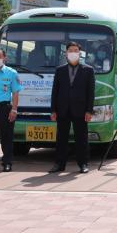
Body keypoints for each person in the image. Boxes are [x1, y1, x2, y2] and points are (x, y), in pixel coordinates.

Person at [49, 42, 95, 174]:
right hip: (62, 109)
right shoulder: (60, 70)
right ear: (66, 53)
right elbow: (55, 91)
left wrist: (89, 111)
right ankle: (59, 164)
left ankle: (83, 164)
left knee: (81, 138)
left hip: (80, 109)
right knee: (61, 138)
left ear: (80, 53)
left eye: (76, 50)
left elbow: (90, 92)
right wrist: (53, 110)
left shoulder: (88, 70)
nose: (73, 53)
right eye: (70, 50)